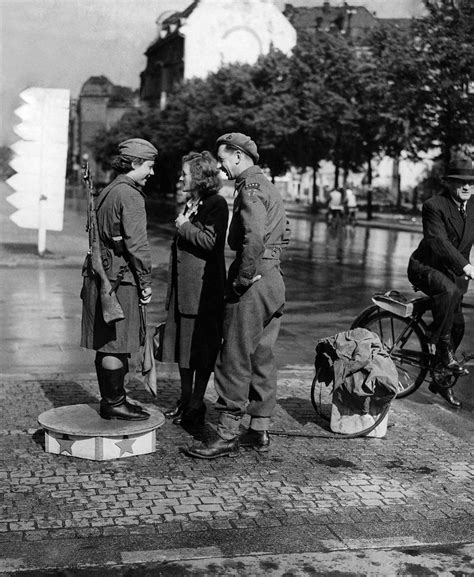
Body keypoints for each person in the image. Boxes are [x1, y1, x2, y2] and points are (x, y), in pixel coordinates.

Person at [187, 133, 290, 459]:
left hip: (254, 282)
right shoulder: (268, 186)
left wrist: (242, 280)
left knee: (233, 356)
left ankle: (227, 433)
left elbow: (253, 237)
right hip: (273, 279)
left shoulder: (249, 189)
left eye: (222, 159)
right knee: (262, 356)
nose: (220, 166)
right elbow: (283, 233)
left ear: (237, 156)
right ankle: (258, 430)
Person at [81, 138, 157, 420]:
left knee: (109, 343)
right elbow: (138, 245)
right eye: (149, 166)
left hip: (103, 278)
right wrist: (146, 281)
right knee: (117, 344)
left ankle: (115, 399)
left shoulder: (109, 190)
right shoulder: (130, 195)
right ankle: (113, 402)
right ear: (135, 163)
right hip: (119, 281)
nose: (152, 172)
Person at [162, 151, 229, 428]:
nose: (180, 178)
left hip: (203, 291)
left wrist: (184, 225)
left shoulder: (216, 204)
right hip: (185, 289)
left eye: (185, 174)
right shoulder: (193, 202)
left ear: (200, 177)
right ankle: (186, 398)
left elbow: (209, 241)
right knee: (184, 347)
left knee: (200, 350)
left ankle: (196, 403)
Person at [407, 158, 474, 408]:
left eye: (471, 183)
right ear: (449, 183)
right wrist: (466, 267)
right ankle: (442, 351)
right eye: (461, 182)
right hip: (426, 267)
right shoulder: (434, 206)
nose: (467, 187)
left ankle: (441, 379)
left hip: (453, 272)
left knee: (458, 326)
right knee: (447, 291)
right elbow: (439, 242)